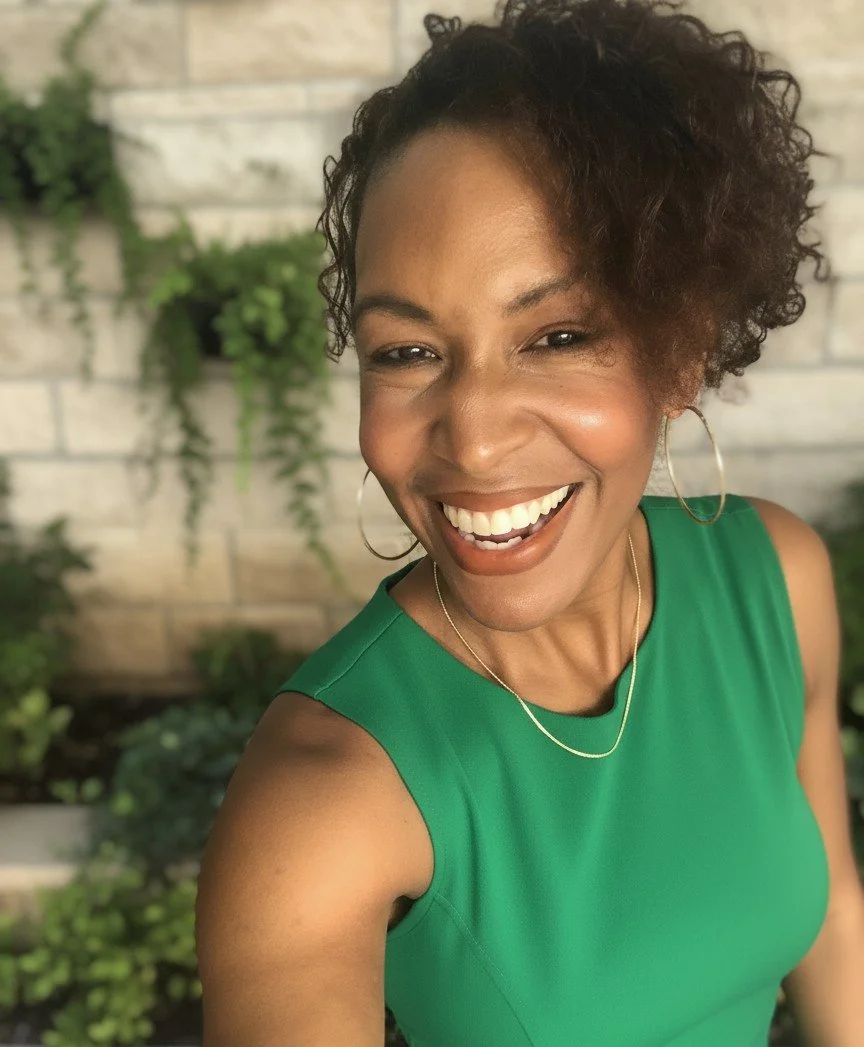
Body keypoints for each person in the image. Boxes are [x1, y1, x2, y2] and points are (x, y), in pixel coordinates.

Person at [195, 1, 864, 1044]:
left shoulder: (774, 582)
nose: (471, 439)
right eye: (407, 352)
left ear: (680, 352)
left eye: (554, 335)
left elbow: (835, 932)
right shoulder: (324, 794)